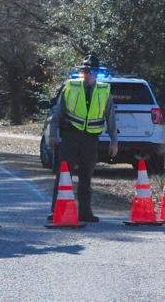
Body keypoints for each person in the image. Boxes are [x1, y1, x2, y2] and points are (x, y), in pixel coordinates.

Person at [48, 54, 118, 223]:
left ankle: (85, 213)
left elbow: (110, 118)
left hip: (91, 139)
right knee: (64, 174)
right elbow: (57, 113)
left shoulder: (104, 90)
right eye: (85, 70)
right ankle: (57, 210)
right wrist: (53, 134)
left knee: (86, 176)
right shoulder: (70, 87)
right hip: (70, 136)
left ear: (96, 72)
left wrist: (114, 141)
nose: (87, 74)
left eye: (91, 70)